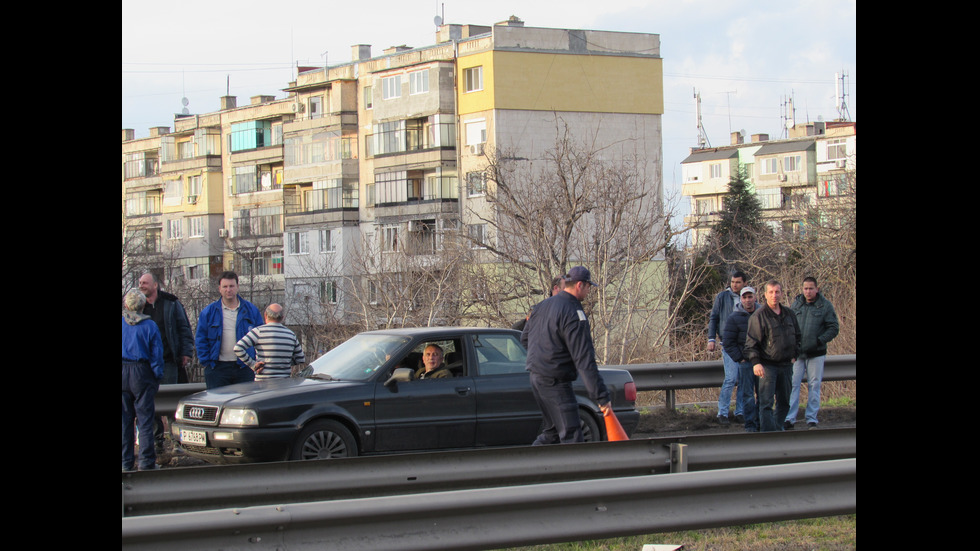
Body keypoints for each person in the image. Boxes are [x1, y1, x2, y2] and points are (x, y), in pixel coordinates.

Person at [521, 266, 611, 445]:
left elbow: (525, 338)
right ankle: (576, 472)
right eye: (588, 287)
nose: (588, 291)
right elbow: (584, 359)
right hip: (556, 382)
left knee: (552, 433)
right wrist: (601, 397)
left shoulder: (542, 305)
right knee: (572, 435)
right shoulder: (573, 312)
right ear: (579, 285)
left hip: (536, 377)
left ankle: (529, 468)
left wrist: (545, 357)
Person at [138, 272, 194, 456]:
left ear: (155, 285)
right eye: (140, 283)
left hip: (169, 361)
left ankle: (177, 442)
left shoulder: (171, 303)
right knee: (151, 405)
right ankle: (156, 443)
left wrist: (186, 352)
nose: (141, 286)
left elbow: (183, 327)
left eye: (145, 283)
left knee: (172, 405)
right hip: (144, 365)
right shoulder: (137, 306)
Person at [744, 280, 801, 432]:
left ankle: (777, 430)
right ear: (765, 295)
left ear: (782, 293)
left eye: (777, 292)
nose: (774, 295)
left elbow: (798, 336)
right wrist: (756, 363)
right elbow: (751, 344)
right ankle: (769, 436)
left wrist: (795, 353)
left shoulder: (789, 314)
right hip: (767, 366)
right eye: (771, 292)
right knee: (766, 403)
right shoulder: (759, 316)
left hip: (786, 365)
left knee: (784, 402)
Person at [784, 277, 840, 430]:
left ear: (817, 289)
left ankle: (811, 418)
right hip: (797, 353)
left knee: (814, 385)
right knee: (793, 385)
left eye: (811, 288)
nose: (808, 291)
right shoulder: (796, 305)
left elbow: (833, 327)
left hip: (816, 353)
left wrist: (820, 340)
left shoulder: (825, 306)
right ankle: (789, 418)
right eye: (805, 288)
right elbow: (788, 325)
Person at [195, 271, 263, 389]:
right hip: (217, 369)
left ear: (237, 287)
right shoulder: (208, 312)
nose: (228, 290)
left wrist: (256, 362)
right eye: (225, 286)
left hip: (244, 367)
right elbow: (200, 338)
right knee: (218, 404)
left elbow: (261, 338)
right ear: (219, 289)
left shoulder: (251, 310)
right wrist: (207, 362)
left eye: (231, 286)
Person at [122, 289, 164, 471]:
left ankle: (125, 462)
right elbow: (157, 355)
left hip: (122, 370)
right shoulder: (150, 326)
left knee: (124, 421)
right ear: (143, 305)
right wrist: (156, 376)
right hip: (141, 372)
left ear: (126, 305)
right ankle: (146, 462)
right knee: (145, 420)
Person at [708, 271, 748, 425]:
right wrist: (711, 338)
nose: (734, 285)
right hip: (728, 343)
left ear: (744, 283)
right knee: (730, 378)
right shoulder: (723, 297)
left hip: (744, 344)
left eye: (738, 282)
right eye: (733, 282)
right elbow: (714, 317)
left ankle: (740, 412)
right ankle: (722, 413)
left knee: (744, 380)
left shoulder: (748, 296)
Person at [722, 286, 760, 432]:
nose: (748, 300)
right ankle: (750, 424)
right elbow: (728, 342)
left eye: (750, 297)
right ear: (741, 299)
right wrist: (740, 358)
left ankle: (761, 421)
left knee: (763, 395)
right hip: (746, 362)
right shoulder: (734, 317)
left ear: (755, 297)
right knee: (748, 394)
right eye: (744, 297)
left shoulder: (763, 314)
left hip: (762, 362)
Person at [233, 303, 306, 380]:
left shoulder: (258, 332)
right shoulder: (291, 334)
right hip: (285, 383)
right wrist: (283, 363)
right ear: (282, 317)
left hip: (263, 382)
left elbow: (238, 348)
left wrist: (253, 364)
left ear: (265, 315)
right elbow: (300, 359)